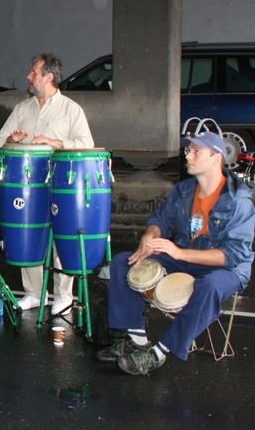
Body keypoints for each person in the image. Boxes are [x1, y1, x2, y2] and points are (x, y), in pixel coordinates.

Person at [97, 132, 254, 375]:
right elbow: (160, 220)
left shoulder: (239, 199)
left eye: (195, 151)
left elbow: (232, 255)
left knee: (210, 285)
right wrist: (150, 236)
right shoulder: (184, 190)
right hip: (186, 254)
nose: (187, 155)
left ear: (215, 158)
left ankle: (158, 353)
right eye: (188, 150)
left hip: (227, 268)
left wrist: (179, 253)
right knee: (123, 263)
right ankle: (137, 341)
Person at [0, 53, 94, 314]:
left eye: (34, 72)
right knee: (30, 233)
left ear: (49, 77)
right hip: (26, 183)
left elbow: (86, 145)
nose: (29, 76)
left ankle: (63, 295)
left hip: (61, 182)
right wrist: (13, 140)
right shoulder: (22, 109)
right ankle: (35, 293)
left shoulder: (71, 110)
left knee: (62, 235)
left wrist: (57, 143)